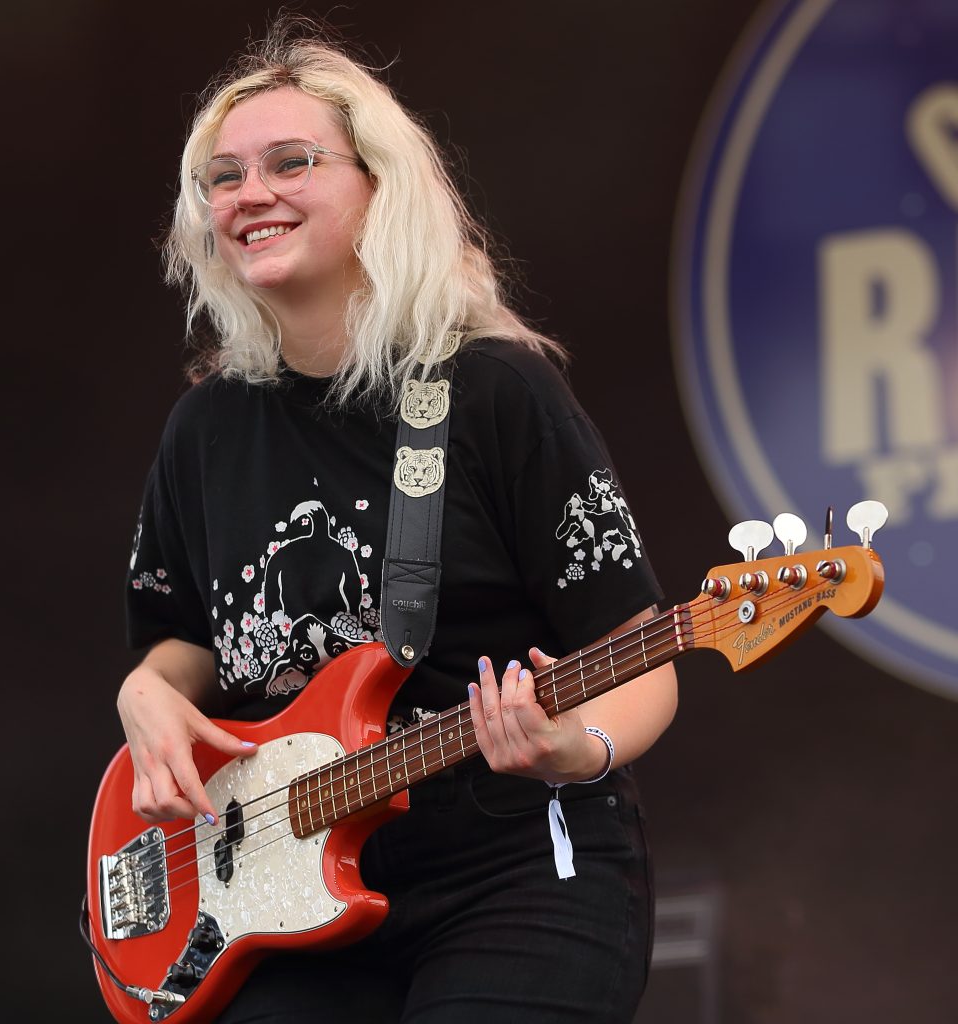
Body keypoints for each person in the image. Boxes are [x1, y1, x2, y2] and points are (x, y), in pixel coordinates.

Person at [119, 18, 678, 1024]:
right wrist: (145, 694)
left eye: (291, 162)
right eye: (223, 177)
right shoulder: (204, 429)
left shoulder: (496, 391)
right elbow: (182, 641)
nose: (250, 192)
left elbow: (644, 654)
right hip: (280, 886)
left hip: (514, 868)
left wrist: (575, 746)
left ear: (381, 187)